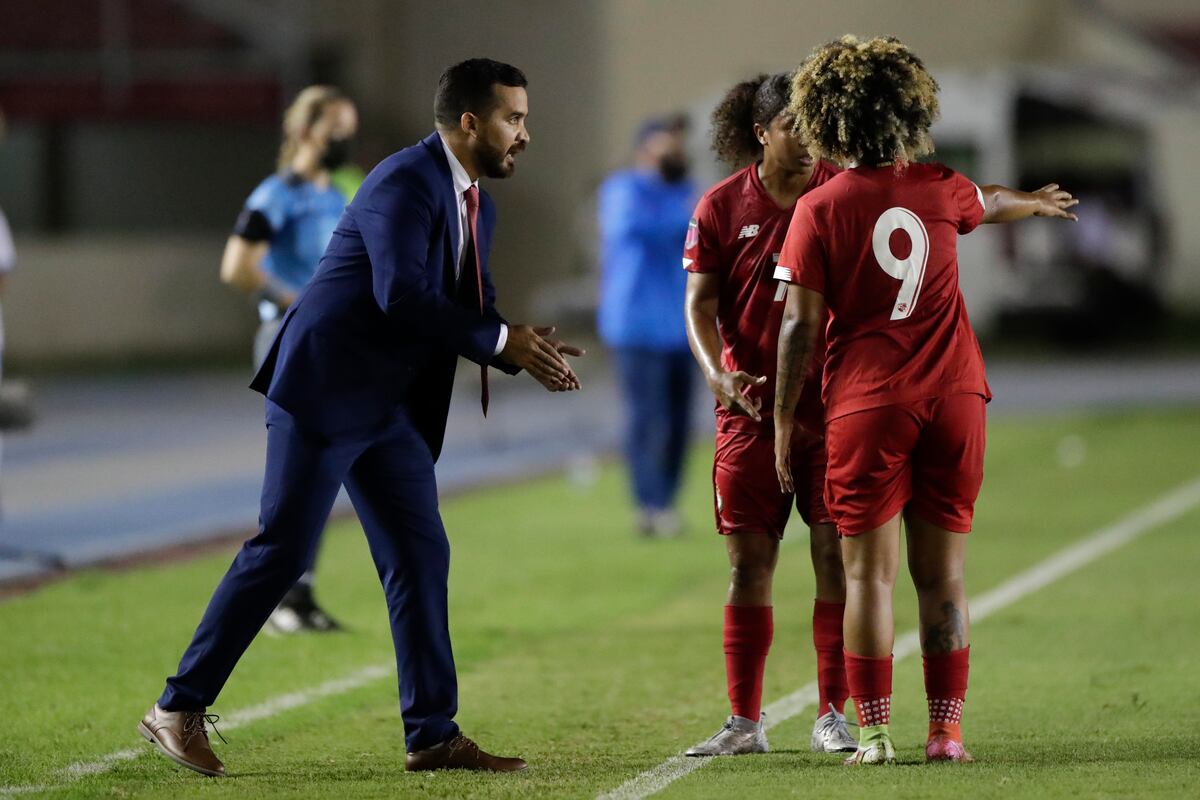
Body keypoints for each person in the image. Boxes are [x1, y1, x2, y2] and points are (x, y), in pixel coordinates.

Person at [139, 58, 584, 777]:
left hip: (388, 406)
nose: (525, 134)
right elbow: (400, 295)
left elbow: (474, 303)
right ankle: (175, 708)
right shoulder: (404, 181)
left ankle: (433, 734)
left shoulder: (478, 202)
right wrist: (503, 342)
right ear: (470, 122)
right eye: (514, 118)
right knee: (282, 549)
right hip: (327, 389)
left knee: (419, 553)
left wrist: (518, 347)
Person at [773, 36, 1078, 765]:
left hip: (867, 404)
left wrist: (784, 418)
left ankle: (875, 734)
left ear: (826, 118)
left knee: (867, 576)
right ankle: (945, 734)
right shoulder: (939, 186)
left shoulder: (818, 207)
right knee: (943, 575)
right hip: (956, 396)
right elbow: (988, 201)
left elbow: (798, 325)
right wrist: (1032, 203)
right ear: (910, 112)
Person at [681, 73, 856, 757]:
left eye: (816, 124)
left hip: (834, 408)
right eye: (794, 124)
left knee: (833, 559)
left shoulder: (842, 193)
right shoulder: (721, 206)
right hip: (750, 411)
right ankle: (745, 722)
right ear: (762, 132)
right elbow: (697, 304)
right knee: (749, 564)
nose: (810, 138)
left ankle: (833, 714)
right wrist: (716, 372)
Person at [219, 85, 359, 634]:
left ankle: (297, 594)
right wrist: (294, 298)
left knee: (323, 471)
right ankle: (278, 598)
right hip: (290, 340)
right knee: (296, 474)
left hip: (331, 343)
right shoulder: (279, 194)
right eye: (337, 129)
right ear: (305, 132)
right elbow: (236, 267)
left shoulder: (336, 195)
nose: (346, 139)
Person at [597, 115, 698, 537]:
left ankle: (666, 503)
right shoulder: (623, 190)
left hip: (680, 326)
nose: (674, 152)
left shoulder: (688, 193)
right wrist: (683, 212)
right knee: (645, 419)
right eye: (665, 145)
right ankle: (648, 505)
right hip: (636, 325)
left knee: (679, 421)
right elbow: (633, 230)